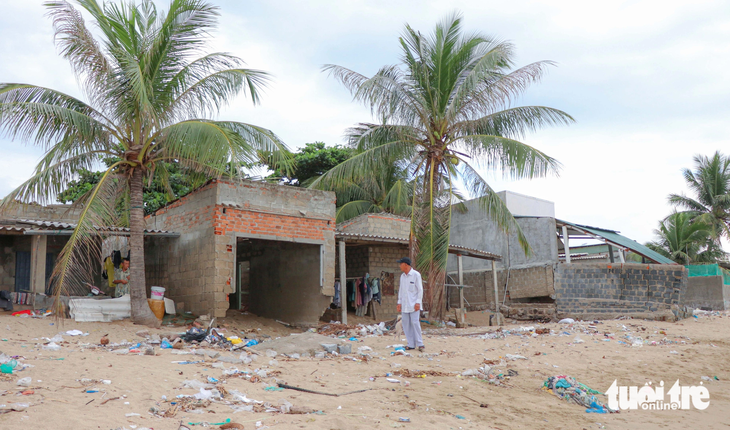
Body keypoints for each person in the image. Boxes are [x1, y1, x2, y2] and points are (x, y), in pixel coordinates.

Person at [396, 257, 424, 352]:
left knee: (415, 323)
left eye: (401, 264)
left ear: (406, 265)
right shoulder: (402, 276)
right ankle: (411, 344)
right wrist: (399, 303)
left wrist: (418, 302)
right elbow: (401, 290)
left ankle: (420, 344)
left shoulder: (416, 275)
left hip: (414, 305)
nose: (400, 266)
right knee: (406, 324)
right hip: (405, 305)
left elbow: (420, 290)